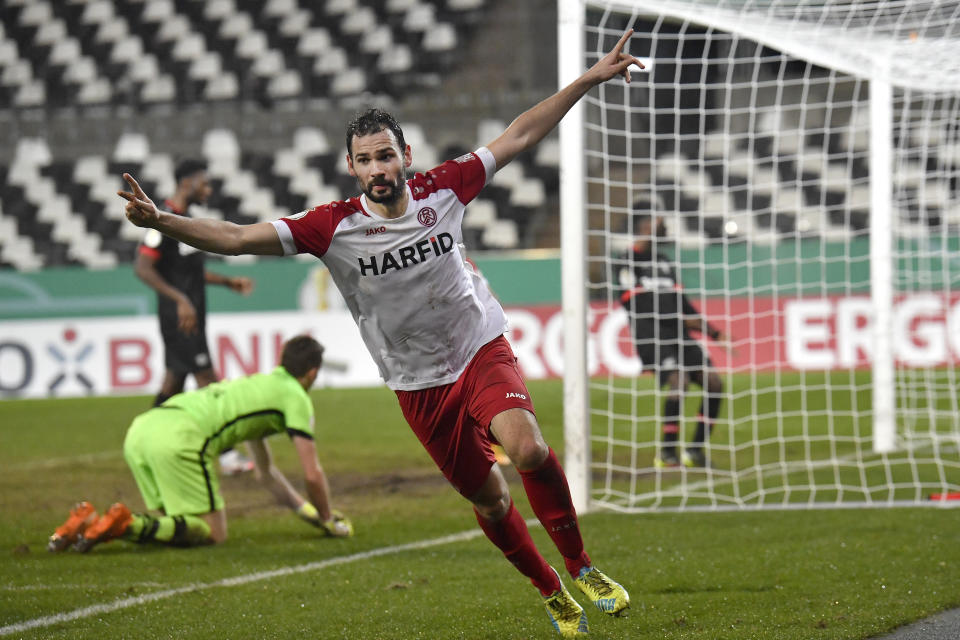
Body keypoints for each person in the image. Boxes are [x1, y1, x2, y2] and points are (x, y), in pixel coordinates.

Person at [118, 30, 642, 638]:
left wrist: (585, 79)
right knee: (490, 500)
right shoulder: (330, 227)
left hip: (478, 346)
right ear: (352, 167)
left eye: (385, 156)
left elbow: (519, 135)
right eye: (365, 160)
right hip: (417, 383)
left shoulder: (445, 187)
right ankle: (550, 591)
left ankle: (580, 566)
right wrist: (162, 221)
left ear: (405, 154)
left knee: (527, 449)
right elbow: (236, 238)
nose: (377, 169)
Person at [47, 335, 353, 553]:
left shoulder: (260, 385)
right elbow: (312, 474)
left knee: (179, 527)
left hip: (144, 428)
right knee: (213, 534)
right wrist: (328, 519)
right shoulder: (296, 398)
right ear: (312, 373)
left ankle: (89, 521)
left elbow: (265, 474)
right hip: (183, 440)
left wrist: (310, 515)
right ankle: (127, 525)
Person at [134, 159, 256, 475]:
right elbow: (143, 269)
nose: (209, 189)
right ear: (186, 182)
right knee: (209, 382)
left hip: (191, 316)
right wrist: (180, 300)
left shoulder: (183, 222)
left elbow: (192, 273)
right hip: (180, 319)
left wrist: (229, 282)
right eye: (204, 182)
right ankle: (228, 456)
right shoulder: (159, 221)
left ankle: (143, 443)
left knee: (173, 383)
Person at [615, 201, 727, 468]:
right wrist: (682, 319)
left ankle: (695, 451)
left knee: (714, 383)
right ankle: (666, 453)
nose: (664, 226)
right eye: (659, 221)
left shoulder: (664, 261)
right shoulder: (626, 261)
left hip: (679, 333)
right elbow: (635, 304)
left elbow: (682, 302)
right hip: (652, 335)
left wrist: (712, 331)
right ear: (646, 226)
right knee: (680, 381)